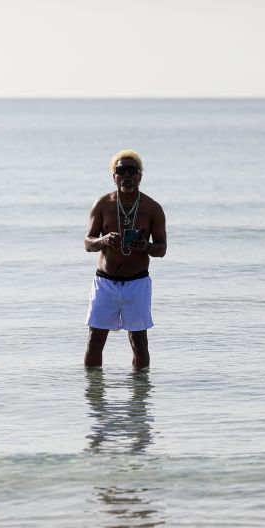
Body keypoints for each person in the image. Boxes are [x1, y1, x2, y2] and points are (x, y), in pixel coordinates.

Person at [84, 150, 167, 369]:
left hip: (137, 282)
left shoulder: (152, 208)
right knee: (95, 340)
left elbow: (162, 249)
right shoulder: (102, 204)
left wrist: (146, 246)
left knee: (139, 342)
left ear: (140, 175)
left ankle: (140, 391)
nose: (127, 175)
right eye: (121, 171)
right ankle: (94, 390)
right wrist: (103, 240)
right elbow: (88, 243)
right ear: (114, 176)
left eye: (132, 171)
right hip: (105, 282)